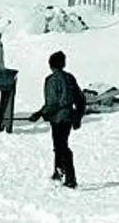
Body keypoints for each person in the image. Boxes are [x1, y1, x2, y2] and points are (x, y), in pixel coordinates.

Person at [30, 49, 86, 188]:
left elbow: (52, 103)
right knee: (60, 144)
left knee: (61, 146)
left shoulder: (51, 80)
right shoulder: (70, 78)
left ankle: (70, 178)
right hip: (69, 117)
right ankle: (58, 172)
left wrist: (39, 114)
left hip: (58, 118)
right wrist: (78, 117)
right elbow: (81, 99)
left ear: (50, 65)